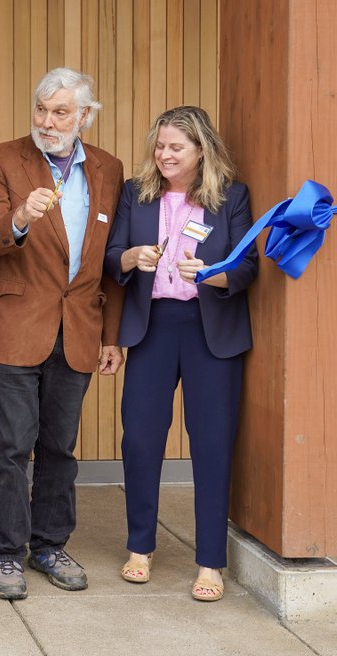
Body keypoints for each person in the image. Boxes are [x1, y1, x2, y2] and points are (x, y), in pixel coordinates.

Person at [0, 67, 125, 600]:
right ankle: (7, 554)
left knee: (60, 446)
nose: (47, 121)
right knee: (12, 446)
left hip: (78, 328)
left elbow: (108, 259)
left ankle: (49, 544)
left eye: (61, 112)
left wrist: (111, 334)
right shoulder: (1, 159)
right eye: (41, 109)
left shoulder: (108, 168)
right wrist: (18, 216)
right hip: (14, 327)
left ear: (84, 116)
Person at [105, 106, 257, 602]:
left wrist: (210, 273)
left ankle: (210, 561)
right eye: (160, 145)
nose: (164, 155)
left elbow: (247, 266)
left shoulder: (232, 197)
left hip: (210, 330)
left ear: (201, 151)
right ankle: (140, 548)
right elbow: (111, 257)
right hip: (153, 327)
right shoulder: (135, 193)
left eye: (176, 147)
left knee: (212, 445)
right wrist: (131, 257)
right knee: (142, 441)